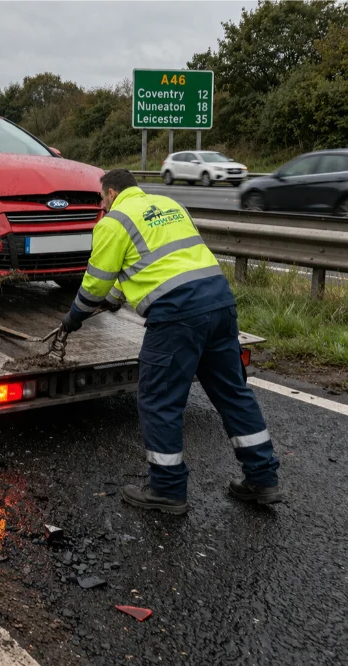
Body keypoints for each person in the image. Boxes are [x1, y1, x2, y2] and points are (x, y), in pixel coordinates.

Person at [60, 169, 282, 515]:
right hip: (219, 302)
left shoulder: (113, 221)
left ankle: (166, 489)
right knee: (233, 392)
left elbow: (95, 282)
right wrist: (117, 298)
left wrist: (74, 317)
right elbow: (157, 263)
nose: (102, 204)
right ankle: (263, 479)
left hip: (178, 314)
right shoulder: (169, 204)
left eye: (102, 198)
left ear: (113, 192)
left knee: (159, 398)